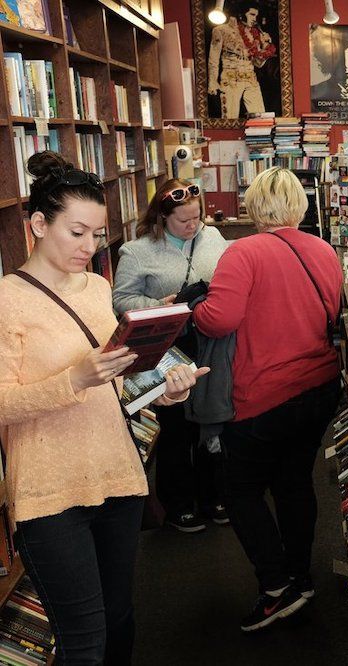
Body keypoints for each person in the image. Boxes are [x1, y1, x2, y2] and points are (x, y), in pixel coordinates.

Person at [0, 151, 205, 663]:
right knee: (84, 643)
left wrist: (166, 388)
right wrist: (73, 379)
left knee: (119, 623)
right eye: (77, 233)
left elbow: (119, 377)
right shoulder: (7, 301)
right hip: (50, 493)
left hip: (117, 477)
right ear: (38, 224)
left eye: (96, 234)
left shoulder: (97, 287)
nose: (89, 247)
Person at [192, 167, 343, 632]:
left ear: (254, 205)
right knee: (294, 481)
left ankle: (276, 586)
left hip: (264, 394)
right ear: (300, 203)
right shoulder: (323, 248)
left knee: (239, 489)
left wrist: (194, 306)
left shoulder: (243, 252)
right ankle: (301, 576)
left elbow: (218, 320)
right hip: (318, 386)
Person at [112, 179, 230, 533]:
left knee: (210, 422)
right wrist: (157, 305)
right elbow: (120, 300)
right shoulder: (137, 251)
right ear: (163, 217)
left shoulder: (212, 237)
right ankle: (178, 503)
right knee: (175, 429)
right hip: (168, 350)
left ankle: (213, 496)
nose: (193, 226)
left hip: (210, 344)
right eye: (183, 220)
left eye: (197, 217)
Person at [208, 2, 275, 119]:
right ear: (241, 14)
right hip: (231, 79)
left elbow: (258, 64)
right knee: (230, 118)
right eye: (252, 14)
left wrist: (265, 47)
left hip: (251, 79)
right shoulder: (222, 30)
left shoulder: (254, 34)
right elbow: (213, 58)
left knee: (261, 118)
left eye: (256, 16)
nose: (255, 19)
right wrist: (212, 81)